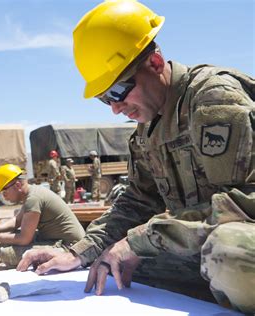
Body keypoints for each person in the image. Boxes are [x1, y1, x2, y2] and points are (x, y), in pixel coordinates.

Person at [17, 0, 255, 313]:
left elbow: (243, 202)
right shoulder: (145, 132)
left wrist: (138, 242)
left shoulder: (213, 99)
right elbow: (137, 203)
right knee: (112, 264)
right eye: (105, 100)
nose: (116, 108)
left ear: (155, 63)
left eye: (118, 92)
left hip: (235, 239)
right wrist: (78, 253)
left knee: (228, 256)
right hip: (204, 244)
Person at [0, 163, 85, 267]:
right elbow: (17, 221)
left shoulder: (33, 199)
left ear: (17, 185)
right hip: (55, 239)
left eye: (4, 192)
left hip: (71, 247)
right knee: (4, 241)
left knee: (8, 254)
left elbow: (24, 239)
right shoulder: (31, 193)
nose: (4, 197)